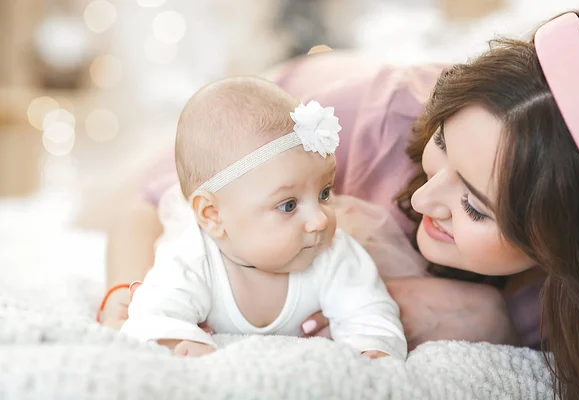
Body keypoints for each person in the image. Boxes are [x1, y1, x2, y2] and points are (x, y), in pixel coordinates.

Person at [102, 9, 579, 398]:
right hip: (272, 106)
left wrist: (492, 319)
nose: (425, 196)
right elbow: (148, 204)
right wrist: (132, 294)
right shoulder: (358, 120)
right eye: (442, 144)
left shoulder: (566, 300)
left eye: (475, 207)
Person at [120, 76, 410, 360]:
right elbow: (153, 316)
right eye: (288, 205)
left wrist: (374, 349)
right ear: (213, 215)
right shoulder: (192, 259)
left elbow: (370, 312)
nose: (320, 220)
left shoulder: (332, 253)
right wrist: (177, 341)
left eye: (324, 193)